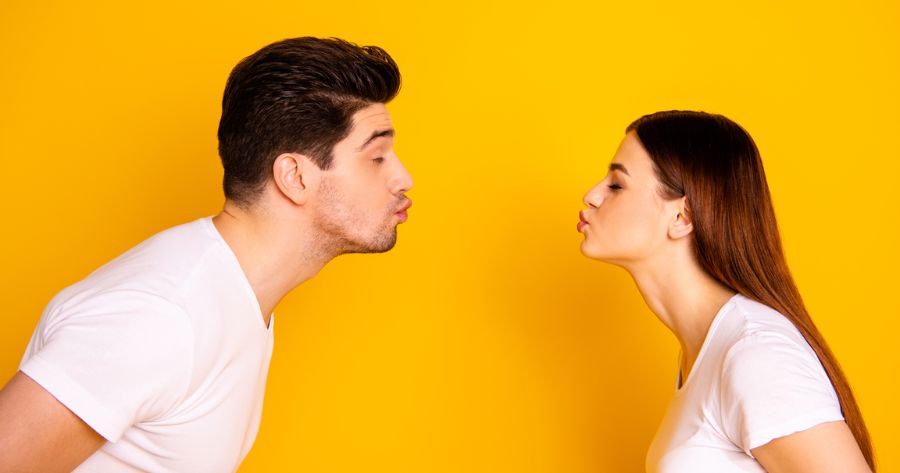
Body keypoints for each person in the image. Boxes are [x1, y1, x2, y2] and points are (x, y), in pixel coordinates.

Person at [0, 36, 413, 472]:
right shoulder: (158, 316)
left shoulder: (233, 297)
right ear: (295, 177)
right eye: (377, 157)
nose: (403, 178)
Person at [577, 111, 874, 472]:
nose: (591, 195)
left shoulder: (754, 353)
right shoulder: (708, 352)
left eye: (616, 185)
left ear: (682, 217)